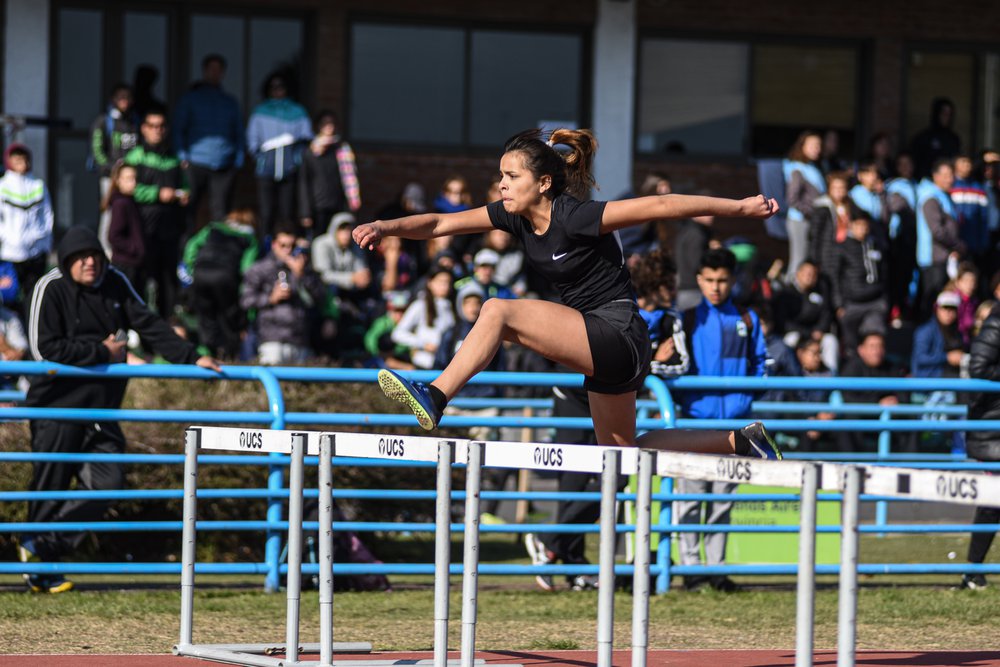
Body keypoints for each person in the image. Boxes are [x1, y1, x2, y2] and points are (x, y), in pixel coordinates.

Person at [354, 128, 781, 463]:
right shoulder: (514, 217)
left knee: (498, 310)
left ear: (543, 183)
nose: (501, 185)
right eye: (501, 176)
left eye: (511, 177)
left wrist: (741, 209)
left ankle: (436, 395)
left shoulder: (575, 216)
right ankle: (738, 441)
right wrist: (384, 227)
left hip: (617, 331)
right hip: (605, 343)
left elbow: (662, 206)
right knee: (621, 455)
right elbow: (438, 225)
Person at [17, 226, 220, 594]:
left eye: (95, 256)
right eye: (81, 258)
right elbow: (43, 350)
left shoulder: (115, 282)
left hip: (101, 411)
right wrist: (103, 352)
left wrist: (192, 358)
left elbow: (149, 324)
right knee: (50, 486)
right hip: (56, 409)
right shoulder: (50, 287)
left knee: (107, 483)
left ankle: (44, 547)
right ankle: (38, 569)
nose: (90, 263)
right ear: (67, 261)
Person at [674, 247, 768, 592]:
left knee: (722, 500)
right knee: (690, 497)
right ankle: (691, 568)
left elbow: (761, 363)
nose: (716, 287)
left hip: (734, 425)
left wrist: (748, 397)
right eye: (710, 280)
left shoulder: (747, 318)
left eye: (723, 280)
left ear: (733, 280)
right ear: (699, 280)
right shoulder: (686, 320)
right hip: (694, 423)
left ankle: (715, 569)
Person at [124, 108, 188, 317]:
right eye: (152, 126)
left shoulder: (174, 158)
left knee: (168, 279)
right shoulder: (135, 157)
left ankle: (167, 322)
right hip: (143, 228)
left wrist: (184, 194)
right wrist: (157, 194)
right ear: (143, 129)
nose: (157, 131)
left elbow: (184, 185)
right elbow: (128, 188)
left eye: (161, 126)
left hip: (170, 228)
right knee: (140, 278)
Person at [174, 54, 245, 235]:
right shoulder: (191, 99)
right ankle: (185, 250)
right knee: (188, 209)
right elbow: (179, 128)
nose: (215, 73)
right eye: (211, 69)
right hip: (195, 161)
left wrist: (238, 160)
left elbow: (238, 131)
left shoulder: (229, 102)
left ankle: (219, 249)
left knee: (221, 212)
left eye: (218, 70)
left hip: (224, 163)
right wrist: (182, 156)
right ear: (204, 71)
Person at [240, 225, 326, 365]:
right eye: (283, 245)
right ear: (274, 245)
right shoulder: (260, 269)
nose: (288, 250)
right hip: (271, 341)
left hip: (301, 340)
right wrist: (271, 298)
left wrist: (301, 275)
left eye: (292, 246)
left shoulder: (305, 269)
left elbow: (320, 299)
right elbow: (246, 300)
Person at [182, 208, 259, 359]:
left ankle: (207, 354)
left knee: (206, 317)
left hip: (201, 274)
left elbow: (191, 247)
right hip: (226, 278)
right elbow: (247, 269)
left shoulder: (212, 229)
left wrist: (192, 268)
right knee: (229, 318)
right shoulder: (249, 239)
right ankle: (228, 355)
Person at [961, 301, 1000, 589]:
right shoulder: (995, 323)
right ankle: (972, 570)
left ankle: (972, 571)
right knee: (992, 502)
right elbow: (978, 368)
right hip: (993, 427)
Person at [246, 71, 313, 240]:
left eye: (281, 86)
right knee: (266, 212)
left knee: (287, 212)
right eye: (273, 87)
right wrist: (261, 160)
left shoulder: (298, 111)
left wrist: (295, 160)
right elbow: (252, 140)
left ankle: (286, 245)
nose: (277, 90)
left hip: (289, 170)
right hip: (266, 171)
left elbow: (306, 139)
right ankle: (265, 246)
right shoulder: (260, 112)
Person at [0, 143, 54, 319]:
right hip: (10, 253)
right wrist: (7, 237)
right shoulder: (2, 186)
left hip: (36, 252)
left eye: (23, 159)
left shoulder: (38, 185)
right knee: (9, 297)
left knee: (34, 297)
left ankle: (31, 330)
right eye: (16, 159)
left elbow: (47, 215)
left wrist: (43, 241)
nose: (21, 163)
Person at [836, 332, 906, 453]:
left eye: (880, 346)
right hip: (862, 416)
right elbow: (848, 398)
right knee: (847, 421)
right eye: (872, 346)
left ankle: (907, 461)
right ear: (861, 350)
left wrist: (895, 401)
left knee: (909, 420)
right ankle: (853, 462)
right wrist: (877, 404)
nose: (877, 351)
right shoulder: (852, 368)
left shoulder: (892, 368)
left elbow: (903, 395)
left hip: (887, 417)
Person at [90, 84, 138, 253]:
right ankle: (105, 252)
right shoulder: (104, 122)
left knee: (131, 211)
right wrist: (113, 169)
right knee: (110, 214)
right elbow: (97, 151)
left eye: (128, 97)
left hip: (131, 177)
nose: (125, 101)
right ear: (113, 99)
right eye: (121, 97)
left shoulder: (134, 121)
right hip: (110, 177)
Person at [298, 109, 362, 239]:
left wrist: (351, 202)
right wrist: (305, 212)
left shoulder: (341, 149)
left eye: (332, 123)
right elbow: (304, 182)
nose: (329, 127)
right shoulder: (310, 152)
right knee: (318, 240)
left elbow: (348, 178)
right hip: (318, 206)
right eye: (325, 123)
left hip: (338, 204)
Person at [917, 159, 966, 320]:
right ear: (935, 176)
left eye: (951, 175)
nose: (949, 179)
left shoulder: (944, 196)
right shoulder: (931, 198)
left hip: (944, 257)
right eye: (945, 175)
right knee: (932, 303)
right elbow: (937, 231)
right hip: (934, 259)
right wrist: (957, 245)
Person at [772, 258, 839, 372]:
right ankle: (791, 374)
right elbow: (783, 322)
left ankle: (831, 378)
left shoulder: (821, 292)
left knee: (831, 341)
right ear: (798, 273)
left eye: (813, 274)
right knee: (789, 340)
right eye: (807, 273)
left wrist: (820, 329)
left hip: (816, 335)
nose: (810, 277)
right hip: (796, 334)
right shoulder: (786, 293)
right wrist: (808, 333)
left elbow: (826, 314)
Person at [835, 213, 888, 351]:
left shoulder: (875, 245)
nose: (863, 229)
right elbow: (835, 277)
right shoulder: (842, 247)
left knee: (873, 339)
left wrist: (884, 298)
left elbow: (884, 272)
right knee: (851, 344)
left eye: (865, 225)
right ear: (851, 225)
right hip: (852, 303)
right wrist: (838, 303)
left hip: (875, 301)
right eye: (859, 225)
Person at [391, 267, 455, 370]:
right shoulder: (420, 305)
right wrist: (423, 344)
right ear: (430, 283)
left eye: (448, 282)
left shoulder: (452, 307)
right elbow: (398, 334)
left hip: (446, 365)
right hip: (424, 365)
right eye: (440, 281)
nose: (445, 286)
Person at [784, 130, 826, 276]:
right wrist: (810, 212)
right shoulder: (797, 168)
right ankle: (791, 287)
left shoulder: (813, 167)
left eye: (819, 145)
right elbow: (792, 198)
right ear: (802, 146)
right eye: (813, 145)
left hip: (811, 220)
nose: (817, 149)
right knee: (799, 260)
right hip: (800, 220)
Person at [103, 162, 146, 287]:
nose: (133, 182)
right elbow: (113, 236)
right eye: (128, 178)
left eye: (135, 178)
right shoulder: (121, 203)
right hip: (125, 265)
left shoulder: (131, 201)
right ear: (118, 181)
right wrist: (135, 248)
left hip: (133, 264)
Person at [911, 97, 961, 179]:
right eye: (944, 113)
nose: (946, 117)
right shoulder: (923, 137)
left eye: (949, 114)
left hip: (948, 181)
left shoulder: (954, 139)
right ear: (937, 114)